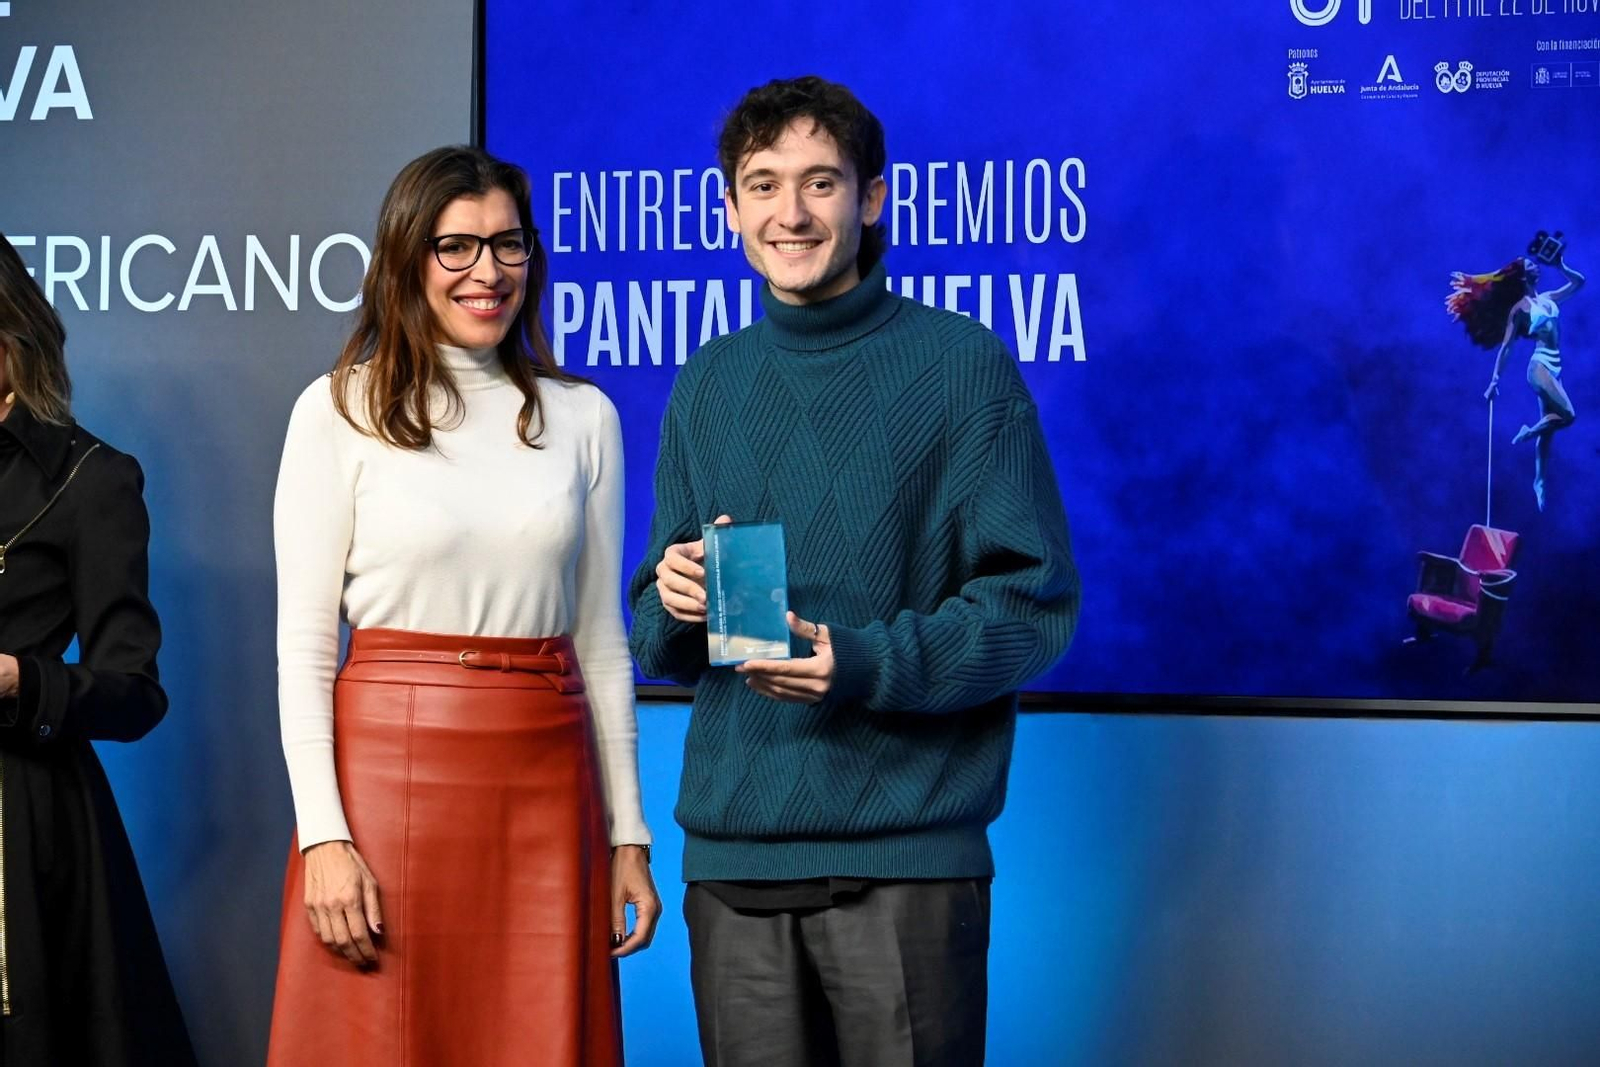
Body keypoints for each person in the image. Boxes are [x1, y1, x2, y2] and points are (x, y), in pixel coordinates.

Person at [628, 77, 1080, 1067]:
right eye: (762, 185)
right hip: (734, 863)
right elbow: (651, 632)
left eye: (819, 183)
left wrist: (863, 664)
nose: (789, 213)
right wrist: (672, 596)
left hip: (906, 861)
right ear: (732, 208)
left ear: (872, 198)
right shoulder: (708, 380)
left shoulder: (961, 366)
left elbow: (1030, 604)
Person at [267, 146, 658, 1067]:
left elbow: (603, 643)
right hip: (384, 776)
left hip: (547, 782)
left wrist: (628, 835)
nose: (488, 272)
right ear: (407, 259)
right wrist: (324, 834)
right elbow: (305, 648)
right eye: (456, 247)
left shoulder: (584, 416)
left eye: (507, 244)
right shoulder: (336, 411)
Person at [0, 234, 197, 1065]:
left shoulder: (90, 478)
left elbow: (133, 689)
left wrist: (21, 680)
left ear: (11, 335)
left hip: (24, 828)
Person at [1448, 251, 1585, 510]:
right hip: (1539, 367)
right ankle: (1527, 432)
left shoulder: (1547, 298)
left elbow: (1579, 283)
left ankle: (1539, 480)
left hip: (1556, 367)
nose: (1537, 267)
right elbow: (1507, 347)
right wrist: (1494, 380)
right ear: (1524, 275)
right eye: (1532, 264)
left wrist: (1561, 265)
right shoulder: (1521, 309)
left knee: (1549, 434)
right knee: (1568, 415)